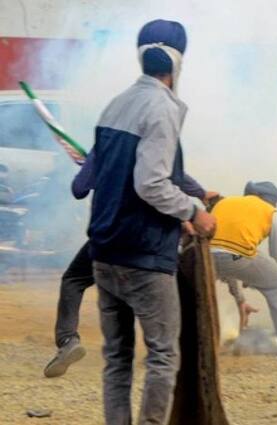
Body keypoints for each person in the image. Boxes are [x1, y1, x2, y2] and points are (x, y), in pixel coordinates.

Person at [88, 19, 217, 425]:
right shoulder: (161, 107)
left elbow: (111, 178)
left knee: (117, 359)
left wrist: (184, 200)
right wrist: (193, 211)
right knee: (163, 355)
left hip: (105, 251)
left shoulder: (116, 103)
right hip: (143, 256)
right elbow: (150, 184)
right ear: (178, 63)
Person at [43, 150, 216, 378]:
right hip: (151, 238)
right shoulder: (157, 148)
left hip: (111, 234)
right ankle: (170, 353)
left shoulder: (105, 149)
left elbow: (79, 190)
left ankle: (68, 340)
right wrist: (200, 195)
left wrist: (94, 166)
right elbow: (175, 179)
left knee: (74, 280)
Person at [210, 181, 277, 353]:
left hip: (205, 256)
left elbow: (222, 256)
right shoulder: (272, 213)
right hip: (237, 256)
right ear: (271, 200)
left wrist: (241, 298)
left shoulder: (225, 203)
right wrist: (261, 277)